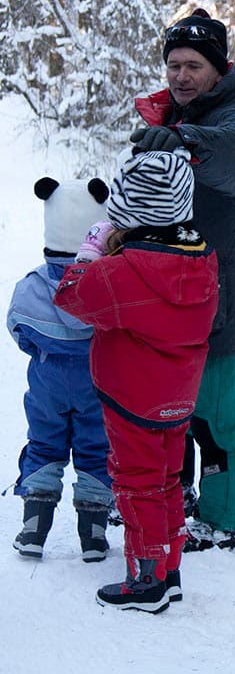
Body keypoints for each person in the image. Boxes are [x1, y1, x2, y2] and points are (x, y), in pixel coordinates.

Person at [129, 8, 235, 551]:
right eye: (173, 65)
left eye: (193, 65)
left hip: (221, 302)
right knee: (175, 412)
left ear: (219, 67)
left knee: (214, 415)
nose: (180, 76)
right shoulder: (172, 120)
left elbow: (230, 158)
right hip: (174, 299)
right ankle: (184, 497)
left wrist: (185, 143)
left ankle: (221, 517)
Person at [54, 150, 219, 613]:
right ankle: (168, 570)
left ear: (127, 209)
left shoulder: (121, 272)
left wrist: (91, 251)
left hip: (131, 397)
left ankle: (145, 580)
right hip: (177, 394)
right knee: (167, 481)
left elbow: (68, 295)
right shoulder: (202, 257)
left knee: (136, 484)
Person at [8, 177, 113, 563]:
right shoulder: (106, 283)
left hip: (47, 381)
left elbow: (18, 327)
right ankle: (94, 537)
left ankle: (34, 530)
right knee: (96, 449)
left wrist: (42, 352)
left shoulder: (32, 284)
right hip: (96, 381)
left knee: (44, 446)